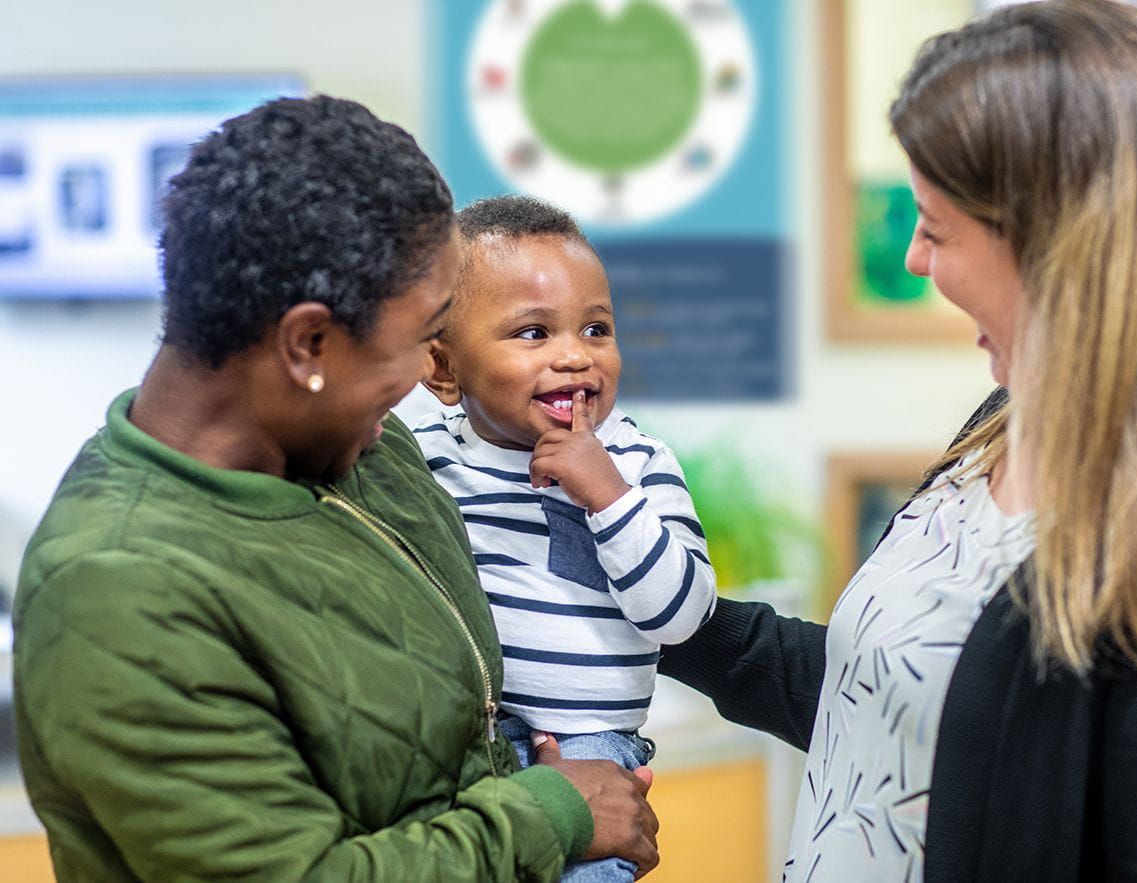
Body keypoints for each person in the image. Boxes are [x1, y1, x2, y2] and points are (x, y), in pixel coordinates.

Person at [13, 96, 658, 881]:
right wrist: (551, 812)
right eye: (422, 339)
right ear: (309, 343)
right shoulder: (116, 590)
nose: (427, 375)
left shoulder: (370, 457)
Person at [660, 2, 1137, 880]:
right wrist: (648, 581)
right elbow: (883, 700)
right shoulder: (998, 425)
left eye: (936, 228)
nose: (910, 260)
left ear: (1055, 243)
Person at [414, 196, 717, 881]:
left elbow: (682, 615)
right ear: (443, 368)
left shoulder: (637, 462)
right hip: (468, 750)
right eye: (533, 333)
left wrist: (606, 495)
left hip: (595, 750)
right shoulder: (425, 461)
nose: (575, 356)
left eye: (596, 328)